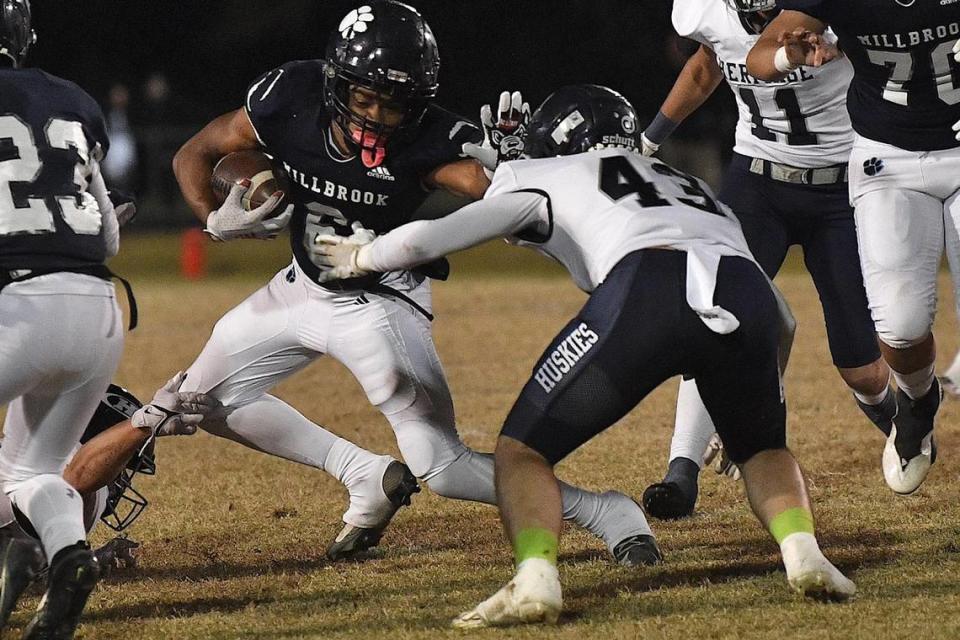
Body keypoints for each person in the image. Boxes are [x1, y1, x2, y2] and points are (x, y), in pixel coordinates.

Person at [311, 84, 857, 628]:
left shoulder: (550, 173)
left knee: (522, 452)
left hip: (647, 291)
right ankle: (804, 555)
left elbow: (428, 239)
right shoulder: (693, 188)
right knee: (764, 450)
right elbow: (782, 316)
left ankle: (535, 580)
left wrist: (364, 253)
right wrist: (756, 394)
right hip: (746, 299)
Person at [171, 0, 658, 565]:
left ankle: (607, 511)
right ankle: (365, 477)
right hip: (300, 285)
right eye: (365, 98)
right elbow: (198, 150)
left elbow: (489, 189)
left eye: (394, 105)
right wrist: (212, 217)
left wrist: (521, 163)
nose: (376, 116)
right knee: (195, 400)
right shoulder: (290, 96)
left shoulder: (431, 137)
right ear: (336, 84)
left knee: (442, 466)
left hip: (381, 301)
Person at [638, 0, 893, 520]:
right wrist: (650, 138)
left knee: (861, 366)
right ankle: (680, 472)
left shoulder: (826, 14)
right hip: (757, 182)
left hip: (839, 190)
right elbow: (707, 66)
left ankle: (907, 431)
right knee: (714, 315)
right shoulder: (706, 12)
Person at [745, 1, 960, 495]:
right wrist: (789, 56)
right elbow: (760, 56)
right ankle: (917, 399)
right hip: (889, 154)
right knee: (901, 327)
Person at [0, 0, 131, 635]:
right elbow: (108, 238)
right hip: (97, 310)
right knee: (30, 471)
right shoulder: (69, 99)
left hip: (15, 308)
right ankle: (69, 557)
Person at [0, 375, 221, 629]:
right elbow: (74, 479)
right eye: (122, 462)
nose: (123, 477)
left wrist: (87, 557)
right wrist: (142, 424)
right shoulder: (60, 468)